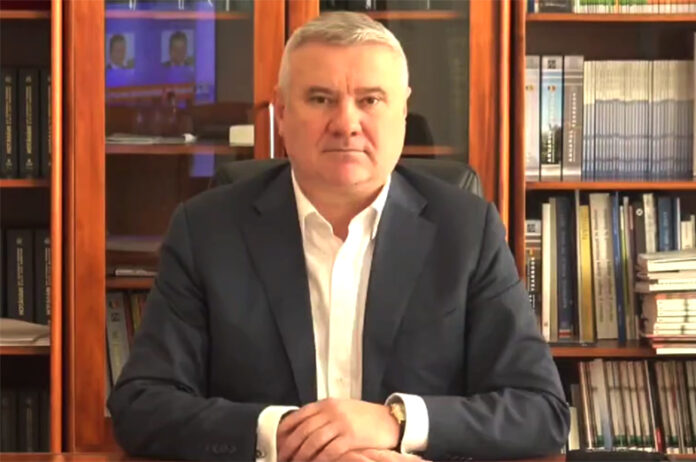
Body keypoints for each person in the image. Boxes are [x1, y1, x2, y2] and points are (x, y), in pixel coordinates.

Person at [108, 11, 569, 462]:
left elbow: (540, 409)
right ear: (282, 113)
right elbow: (142, 405)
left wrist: (397, 422)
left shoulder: (466, 230)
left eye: (370, 100)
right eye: (321, 99)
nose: (346, 123)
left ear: (403, 112)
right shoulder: (207, 230)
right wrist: (287, 435)